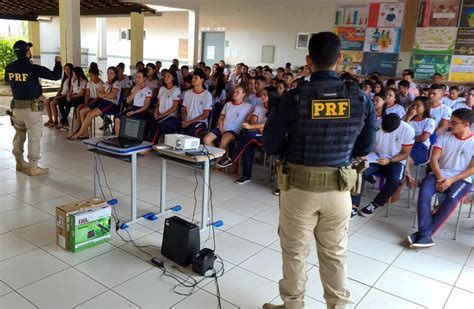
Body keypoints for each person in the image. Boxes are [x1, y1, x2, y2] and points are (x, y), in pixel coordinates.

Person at [262, 32, 376, 309]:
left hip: (299, 189)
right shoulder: (360, 99)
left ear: (308, 60)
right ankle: (338, 306)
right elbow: (366, 145)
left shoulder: (294, 98)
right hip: (340, 189)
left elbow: (270, 143)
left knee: (295, 253)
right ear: (339, 59)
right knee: (335, 254)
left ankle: (293, 305)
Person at [408, 108, 473, 248]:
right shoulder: (444, 136)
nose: (450, 124)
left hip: (461, 179)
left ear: (466, 124)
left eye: (454, 122)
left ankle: (424, 234)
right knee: (424, 193)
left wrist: (451, 180)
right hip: (438, 174)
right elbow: (434, 159)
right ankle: (425, 234)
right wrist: (440, 178)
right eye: (450, 121)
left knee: (452, 198)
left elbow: (472, 169)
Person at [5, 40, 62, 176]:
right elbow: (56, 75)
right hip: (31, 110)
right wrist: (58, 62)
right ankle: (33, 167)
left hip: (16, 109)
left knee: (19, 136)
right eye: (29, 49)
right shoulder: (33, 68)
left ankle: (19, 163)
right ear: (26, 52)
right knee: (34, 137)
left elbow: (13, 82)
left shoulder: (9, 68)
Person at [352, 113, 415, 217]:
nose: (385, 131)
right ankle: (353, 205)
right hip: (375, 157)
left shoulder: (408, 130)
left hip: (395, 160)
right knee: (358, 172)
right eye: (384, 128)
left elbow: (405, 153)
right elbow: (366, 143)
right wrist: (363, 154)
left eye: (388, 131)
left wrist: (390, 160)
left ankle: (375, 204)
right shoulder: (375, 124)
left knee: (395, 180)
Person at [217, 88, 270, 184]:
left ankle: (231, 158)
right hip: (256, 134)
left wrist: (252, 127)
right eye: (262, 94)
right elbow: (254, 119)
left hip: (268, 138)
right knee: (248, 142)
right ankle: (246, 176)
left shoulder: (276, 109)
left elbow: (269, 125)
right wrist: (254, 127)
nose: (262, 96)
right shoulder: (259, 107)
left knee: (249, 134)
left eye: (265, 95)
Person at [69, 66, 122, 140]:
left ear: (115, 75)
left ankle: (79, 134)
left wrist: (106, 95)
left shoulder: (117, 83)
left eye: (111, 73)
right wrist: (107, 95)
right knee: (82, 111)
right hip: (103, 102)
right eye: (108, 73)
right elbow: (99, 95)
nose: (109, 75)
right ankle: (85, 133)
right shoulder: (106, 83)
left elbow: (112, 96)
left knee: (90, 114)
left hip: (111, 104)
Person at [203, 85, 253, 150]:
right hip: (221, 128)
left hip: (234, 131)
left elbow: (248, 120)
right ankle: (218, 155)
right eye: (234, 92)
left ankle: (219, 159)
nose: (235, 94)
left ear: (243, 94)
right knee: (206, 139)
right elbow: (220, 118)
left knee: (224, 139)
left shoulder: (248, 106)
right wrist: (221, 129)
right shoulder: (228, 104)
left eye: (238, 92)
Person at [147, 70, 181, 143]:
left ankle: (154, 145)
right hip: (160, 115)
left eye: (168, 76)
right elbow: (158, 103)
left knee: (160, 125)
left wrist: (162, 115)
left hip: (170, 116)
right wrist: (156, 112)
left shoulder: (176, 89)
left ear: (173, 78)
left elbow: (174, 107)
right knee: (148, 122)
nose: (166, 78)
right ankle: (148, 144)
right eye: (165, 76)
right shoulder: (162, 89)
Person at [114, 69, 151, 136]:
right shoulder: (134, 88)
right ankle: (118, 138)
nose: (137, 79)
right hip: (133, 108)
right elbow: (128, 101)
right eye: (136, 77)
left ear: (145, 78)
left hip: (141, 111)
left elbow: (146, 106)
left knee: (130, 120)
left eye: (139, 77)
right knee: (117, 119)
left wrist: (134, 112)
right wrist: (134, 92)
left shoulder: (148, 90)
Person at [181, 69, 213, 136]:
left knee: (191, 131)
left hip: (200, 122)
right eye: (193, 77)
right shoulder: (187, 93)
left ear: (202, 80)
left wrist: (189, 122)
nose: (193, 79)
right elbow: (184, 110)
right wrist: (185, 121)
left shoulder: (207, 95)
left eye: (196, 78)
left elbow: (205, 115)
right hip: (188, 121)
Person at [58, 66, 88, 130]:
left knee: (68, 104)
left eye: (74, 73)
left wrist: (71, 96)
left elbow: (81, 94)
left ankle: (63, 120)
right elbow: (70, 90)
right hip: (73, 96)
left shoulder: (84, 81)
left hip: (80, 98)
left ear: (77, 73)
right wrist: (69, 96)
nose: (73, 75)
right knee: (61, 103)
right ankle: (65, 119)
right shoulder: (74, 80)